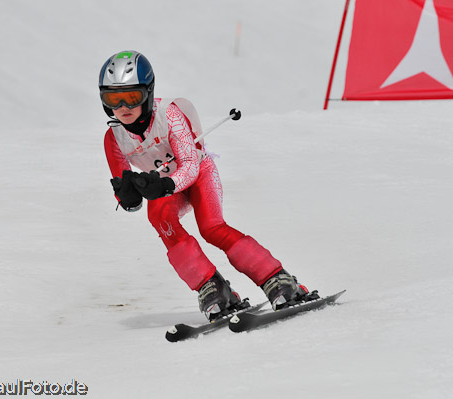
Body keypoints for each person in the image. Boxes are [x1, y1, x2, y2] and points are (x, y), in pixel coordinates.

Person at [100, 50, 317, 321]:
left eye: (132, 97)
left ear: (148, 92)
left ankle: (277, 279)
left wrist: (165, 185)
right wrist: (129, 196)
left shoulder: (169, 114)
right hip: (165, 184)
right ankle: (211, 287)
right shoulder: (114, 138)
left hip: (198, 173)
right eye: (112, 98)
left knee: (212, 228)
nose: (123, 106)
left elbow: (190, 164)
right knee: (159, 218)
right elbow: (124, 191)